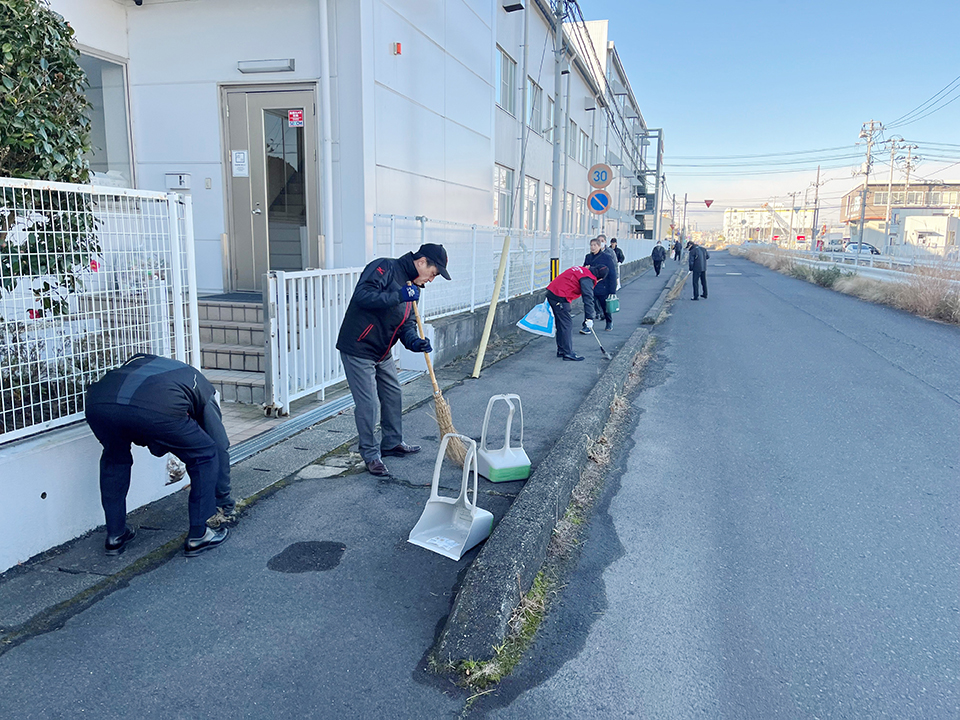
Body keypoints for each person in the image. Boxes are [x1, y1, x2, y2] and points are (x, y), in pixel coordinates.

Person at [85, 354, 234, 558]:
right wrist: (223, 501)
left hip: (99, 403)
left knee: (115, 458)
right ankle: (200, 534)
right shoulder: (200, 384)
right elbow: (219, 445)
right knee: (205, 455)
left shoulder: (139, 369)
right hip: (156, 408)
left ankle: (115, 535)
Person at [336, 243, 449, 477]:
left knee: (393, 393)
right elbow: (362, 296)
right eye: (433, 273)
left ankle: (391, 443)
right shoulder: (384, 267)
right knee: (368, 404)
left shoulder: (412, 288)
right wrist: (397, 295)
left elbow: (405, 324)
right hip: (358, 347)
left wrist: (415, 342)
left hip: (382, 351)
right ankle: (370, 454)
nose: (431, 279)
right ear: (421, 262)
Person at [546, 264, 608, 361]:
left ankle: (562, 350)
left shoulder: (582, 270)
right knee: (567, 324)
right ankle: (568, 353)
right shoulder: (587, 279)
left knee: (561, 323)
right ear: (600, 279)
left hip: (553, 293)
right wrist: (589, 318)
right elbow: (588, 298)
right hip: (560, 296)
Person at [581, 237, 618, 332]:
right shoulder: (588, 257)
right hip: (590, 286)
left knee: (604, 305)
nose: (592, 247)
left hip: (603, 286)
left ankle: (609, 321)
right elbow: (584, 270)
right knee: (588, 305)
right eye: (591, 245)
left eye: (595, 245)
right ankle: (587, 325)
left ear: (599, 246)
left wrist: (612, 290)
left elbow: (612, 273)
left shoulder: (606, 257)